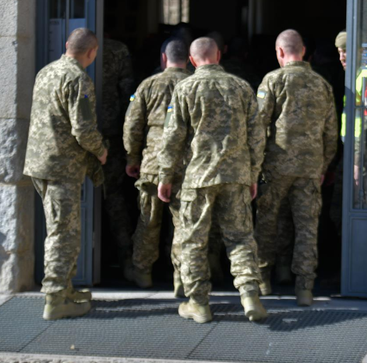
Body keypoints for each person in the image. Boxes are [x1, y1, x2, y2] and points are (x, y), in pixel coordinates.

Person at [158, 37, 267, 323]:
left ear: (192, 60)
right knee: (241, 236)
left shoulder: (185, 88)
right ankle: (249, 295)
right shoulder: (242, 87)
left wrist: (165, 176)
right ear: (218, 55)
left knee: (193, 240)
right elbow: (258, 136)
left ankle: (199, 303)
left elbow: (172, 138)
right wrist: (253, 173)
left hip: (198, 177)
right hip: (237, 175)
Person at [23, 28, 107, 320]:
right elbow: (83, 128)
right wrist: (101, 151)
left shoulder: (46, 72)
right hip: (62, 167)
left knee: (64, 228)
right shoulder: (78, 79)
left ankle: (66, 288)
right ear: (91, 52)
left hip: (41, 164)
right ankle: (56, 298)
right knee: (63, 233)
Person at [255, 29, 338, 305]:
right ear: (303, 51)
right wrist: (324, 165)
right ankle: (304, 288)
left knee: (267, 222)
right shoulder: (322, 84)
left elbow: (258, 127)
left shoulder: (273, 80)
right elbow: (331, 133)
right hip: (311, 168)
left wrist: (255, 165)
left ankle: (263, 281)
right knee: (306, 227)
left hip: (275, 166)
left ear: (280, 52)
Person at [124, 39, 191, 294]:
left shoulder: (148, 85)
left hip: (153, 164)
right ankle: (181, 278)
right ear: (190, 59)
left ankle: (142, 272)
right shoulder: (194, 85)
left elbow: (132, 125)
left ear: (164, 58)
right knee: (183, 223)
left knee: (148, 220)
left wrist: (132, 158)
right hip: (185, 166)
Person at [100, 37, 136, 280]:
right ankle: (126, 259)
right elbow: (128, 93)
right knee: (113, 197)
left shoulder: (69, 45)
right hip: (111, 133)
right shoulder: (118, 49)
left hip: (83, 138)